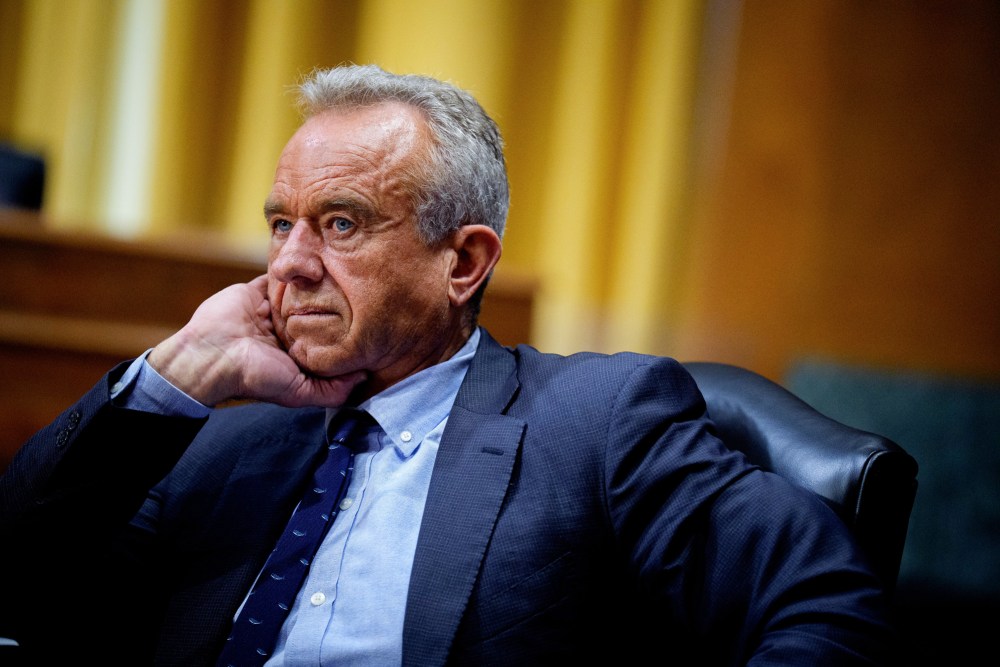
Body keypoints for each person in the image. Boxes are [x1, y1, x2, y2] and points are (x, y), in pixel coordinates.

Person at [0, 64, 897, 666]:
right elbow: (20, 583)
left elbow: (829, 604)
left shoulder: (598, 418)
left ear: (461, 262)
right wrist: (178, 368)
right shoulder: (225, 436)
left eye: (341, 223)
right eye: (282, 223)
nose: (289, 264)